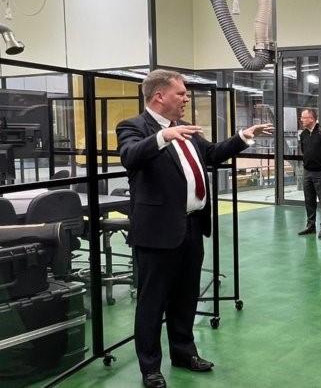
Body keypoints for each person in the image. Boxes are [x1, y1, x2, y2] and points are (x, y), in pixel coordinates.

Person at [116, 69, 273, 388]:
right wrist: (162, 137)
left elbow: (212, 154)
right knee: (152, 302)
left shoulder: (182, 129)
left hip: (191, 226)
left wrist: (243, 137)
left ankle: (184, 353)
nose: (186, 98)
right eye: (181, 94)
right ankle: (150, 367)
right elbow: (130, 156)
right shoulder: (134, 127)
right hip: (158, 233)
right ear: (159, 96)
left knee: (186, 296)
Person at [297, 108, 321, 238]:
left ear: (311, 118)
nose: (301, 120)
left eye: (303, 117)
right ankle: (310, 226)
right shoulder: (303, 135)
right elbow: (304, 150)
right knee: (309, 200)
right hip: (307, 172)